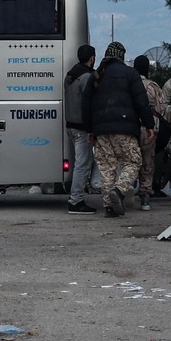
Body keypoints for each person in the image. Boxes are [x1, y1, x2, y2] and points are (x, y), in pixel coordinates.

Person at [82, 41, 153, 218]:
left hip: (101, 131)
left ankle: (109, 207)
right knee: (133, 161)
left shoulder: (96, 76)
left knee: (107, 168)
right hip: (125, 128)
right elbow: (141, 102)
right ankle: (119, 191)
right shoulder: (130, 73)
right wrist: (149, 124)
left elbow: (86, 105)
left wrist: (90, 130)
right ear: (121, 56)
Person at [64, 44, 98, 215]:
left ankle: (76, 197)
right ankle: (75, 200)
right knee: (82, 164)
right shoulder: (85, 78)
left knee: (81, 162)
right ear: (92, 58)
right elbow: (88, 104)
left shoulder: (70, 75)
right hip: (82, 128)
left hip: (70, 125)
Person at [133, 55, 164, 210]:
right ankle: (145, 196)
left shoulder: (130, 83)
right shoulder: (153, 86)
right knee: (147, 162)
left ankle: (125, 192)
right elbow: (161, 109)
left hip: (130, 127)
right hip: (149, 128)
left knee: (129, 161)